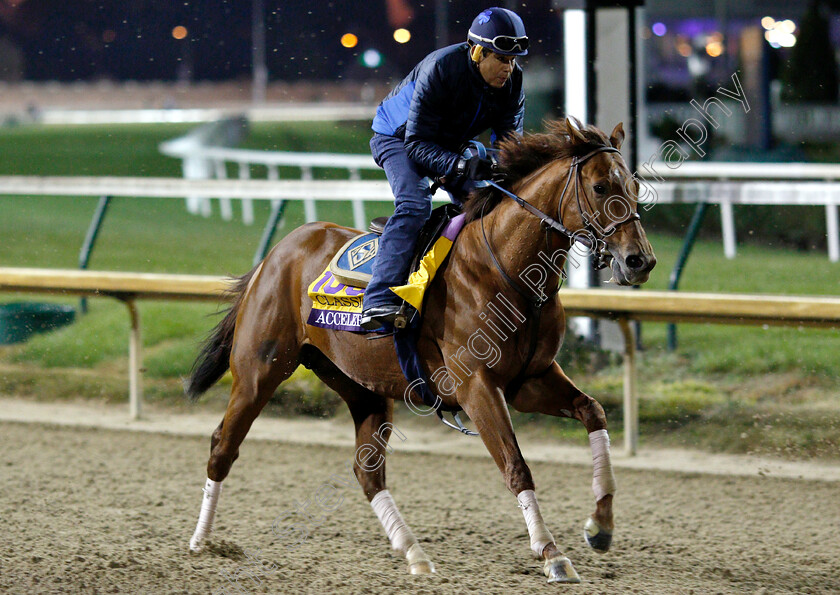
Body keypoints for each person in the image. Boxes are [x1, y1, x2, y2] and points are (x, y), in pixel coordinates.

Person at [360, 6, 529, 330]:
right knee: (414, 204)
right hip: (398, 137)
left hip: (445, 140)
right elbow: (417, 145)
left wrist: (493, 166)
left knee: (487, 202)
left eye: (513, 60)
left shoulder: (513, 81)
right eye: (502, 58)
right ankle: (378, 298)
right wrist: (462, 164)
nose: (509, 68)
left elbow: (509, 147)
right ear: (478, 52)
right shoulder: (441, 68)